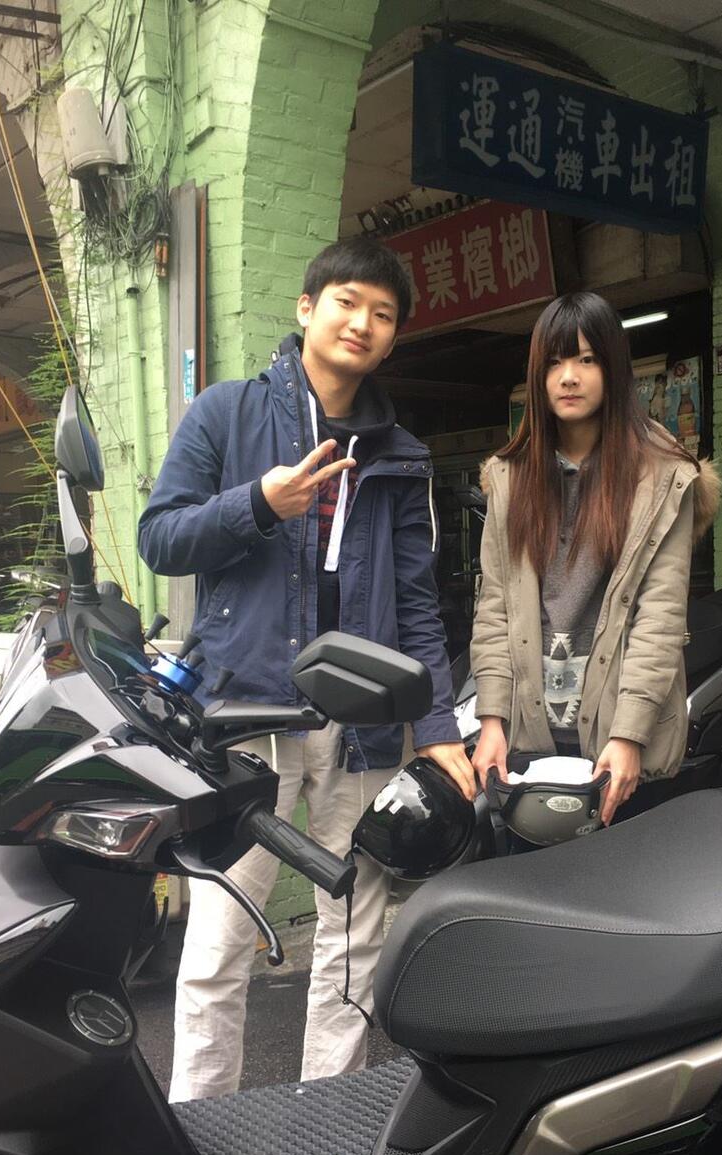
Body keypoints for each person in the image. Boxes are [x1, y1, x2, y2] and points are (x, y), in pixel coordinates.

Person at [138, 238, 475, 1099]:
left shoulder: (400, 454)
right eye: (347, 302)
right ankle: (201, 1118)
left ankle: (329, 1110)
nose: (362, 323)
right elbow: (161, 538)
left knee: (354, 935)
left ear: (392, 339)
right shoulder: (226, 414)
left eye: (383, 314)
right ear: (307, 308)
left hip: (362, 722)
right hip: (248, 714)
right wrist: (259, 503)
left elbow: (416, 603)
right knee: (221, 936)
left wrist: (437, 728)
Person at [470, 291, 720, 825]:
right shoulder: (510, 477)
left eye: (586, 359)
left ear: (613, 369)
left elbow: (659, 617)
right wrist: (491, 719)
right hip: (529, 734)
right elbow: (494, 608)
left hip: (617, 737)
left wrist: (629, 736)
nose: (569, 377)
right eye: (555, 362)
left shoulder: (661, 478)